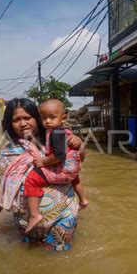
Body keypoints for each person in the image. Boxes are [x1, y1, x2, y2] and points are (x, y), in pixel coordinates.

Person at [0, 98, 83, 251]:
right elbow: (1, 185)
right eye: (16, 120)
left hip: (62, 217)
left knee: (58, 261)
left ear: (37, 119)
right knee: (30, 262)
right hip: (26, 222)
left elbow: (78, 160)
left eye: (27, 118)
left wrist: (79, 144)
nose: (23, 123)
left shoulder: (55, 138)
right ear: (9, 124)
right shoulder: (9, 152)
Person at [23, 99, 88, 233]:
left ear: (63, 118)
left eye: (52, 118)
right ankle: (84, 199)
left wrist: (43, 161)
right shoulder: (61, 131)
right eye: (44, 118)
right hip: (71, 170)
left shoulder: (55, 132)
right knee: (75, 178)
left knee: (32, 179)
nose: (47, 121)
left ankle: (34, 215)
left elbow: (60, 155)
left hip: (63, 172)